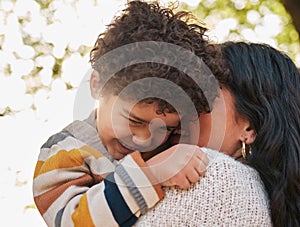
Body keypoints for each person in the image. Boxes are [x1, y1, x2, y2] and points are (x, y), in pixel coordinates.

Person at [32, 1, 226, 226]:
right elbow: (71, 221)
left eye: (165, 128)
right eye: (134, 120)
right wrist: (151, 174)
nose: (143, 139)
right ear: (97, 86)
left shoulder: (165, 146)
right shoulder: (64, 151)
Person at [136, 42, 300, 226]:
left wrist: (143, 175)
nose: (184, 106)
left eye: (202, 94)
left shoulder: (216, 176)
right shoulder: (261, 196)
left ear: (249, 126)